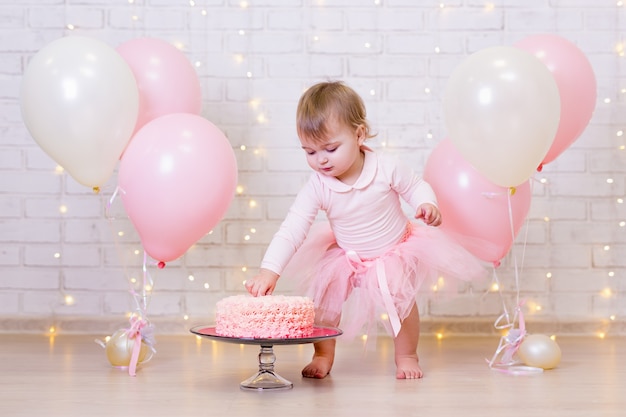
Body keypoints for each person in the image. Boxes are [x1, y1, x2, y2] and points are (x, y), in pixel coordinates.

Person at [245, 81, 486, 380]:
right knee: (324, 304)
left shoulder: (385, 167)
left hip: (393, 251)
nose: (320, 159)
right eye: (309, 151)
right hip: (347, 255)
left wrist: (426, 203)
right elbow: (292, 229)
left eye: (330, 148)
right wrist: (269, 271)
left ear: (359, 135)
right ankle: (322, 353)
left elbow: (415, 186)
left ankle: (407, 354)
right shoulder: (318, 186)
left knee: (400, 304)